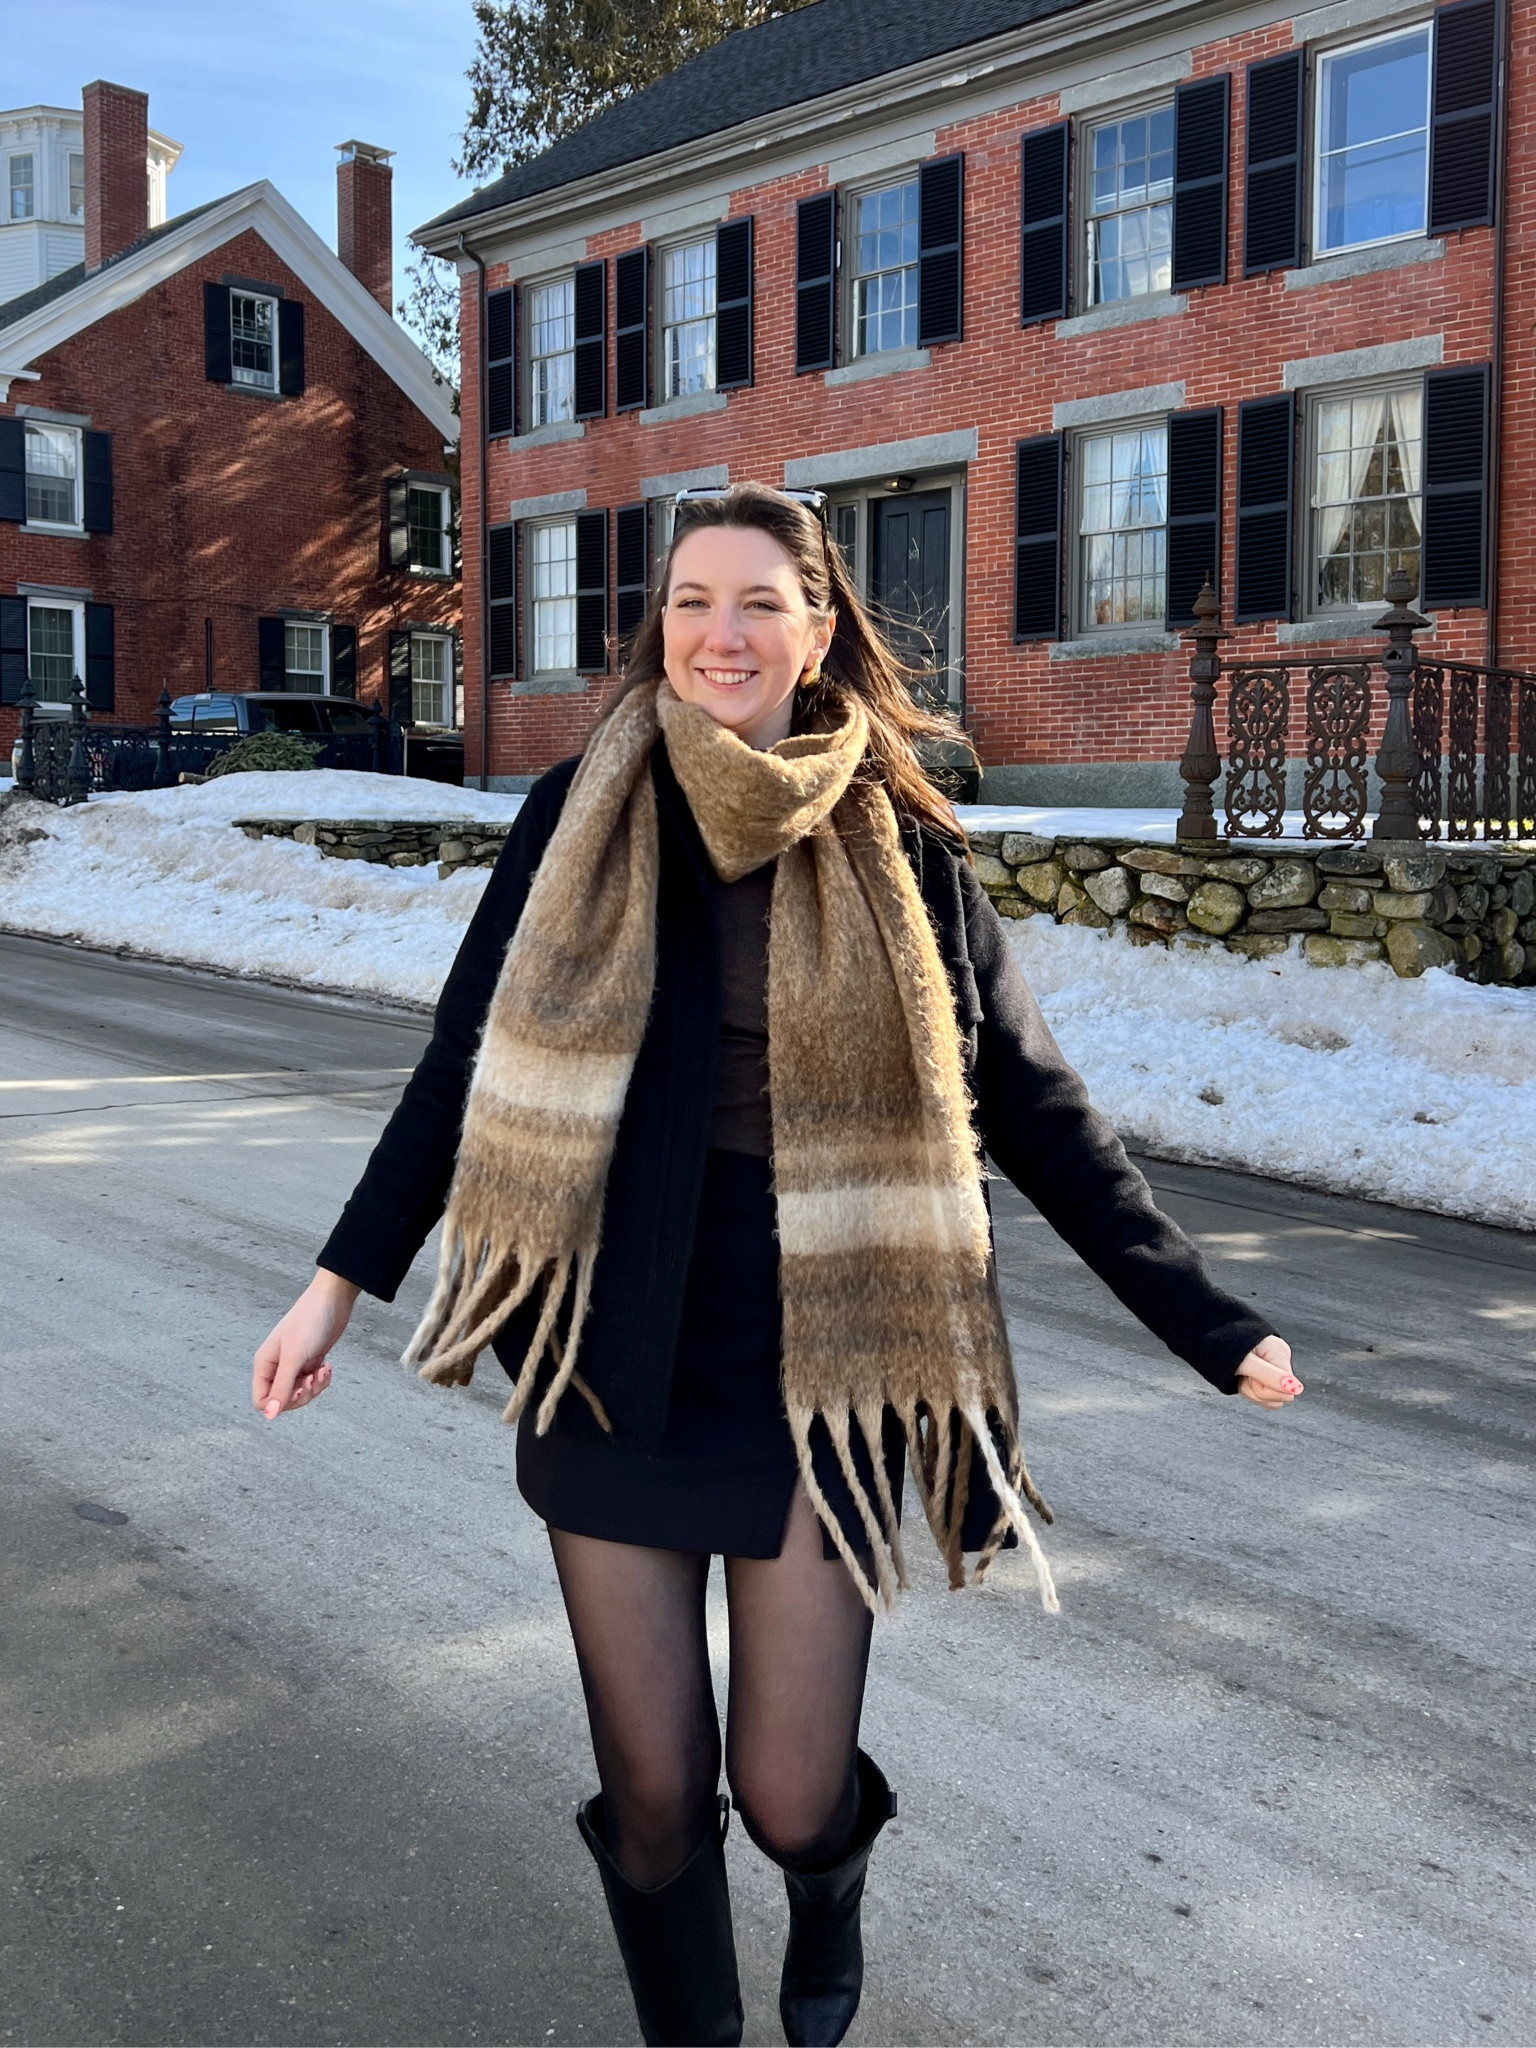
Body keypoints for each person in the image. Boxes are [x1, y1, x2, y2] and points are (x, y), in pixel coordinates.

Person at [253, 483, 1301, 2048]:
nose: (718, 634)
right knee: (662, 1801)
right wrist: (338, 1280)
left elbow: (1031, 1107)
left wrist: (1207, 1325)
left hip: (827, 1351)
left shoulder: (905, 854)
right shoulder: (579, 818)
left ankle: (830, 1881)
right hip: (611, 1343)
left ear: (819, 633)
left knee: (791, 1797)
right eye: (690, 601)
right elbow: (462, 1068)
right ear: (658, 628)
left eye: (757, 602)